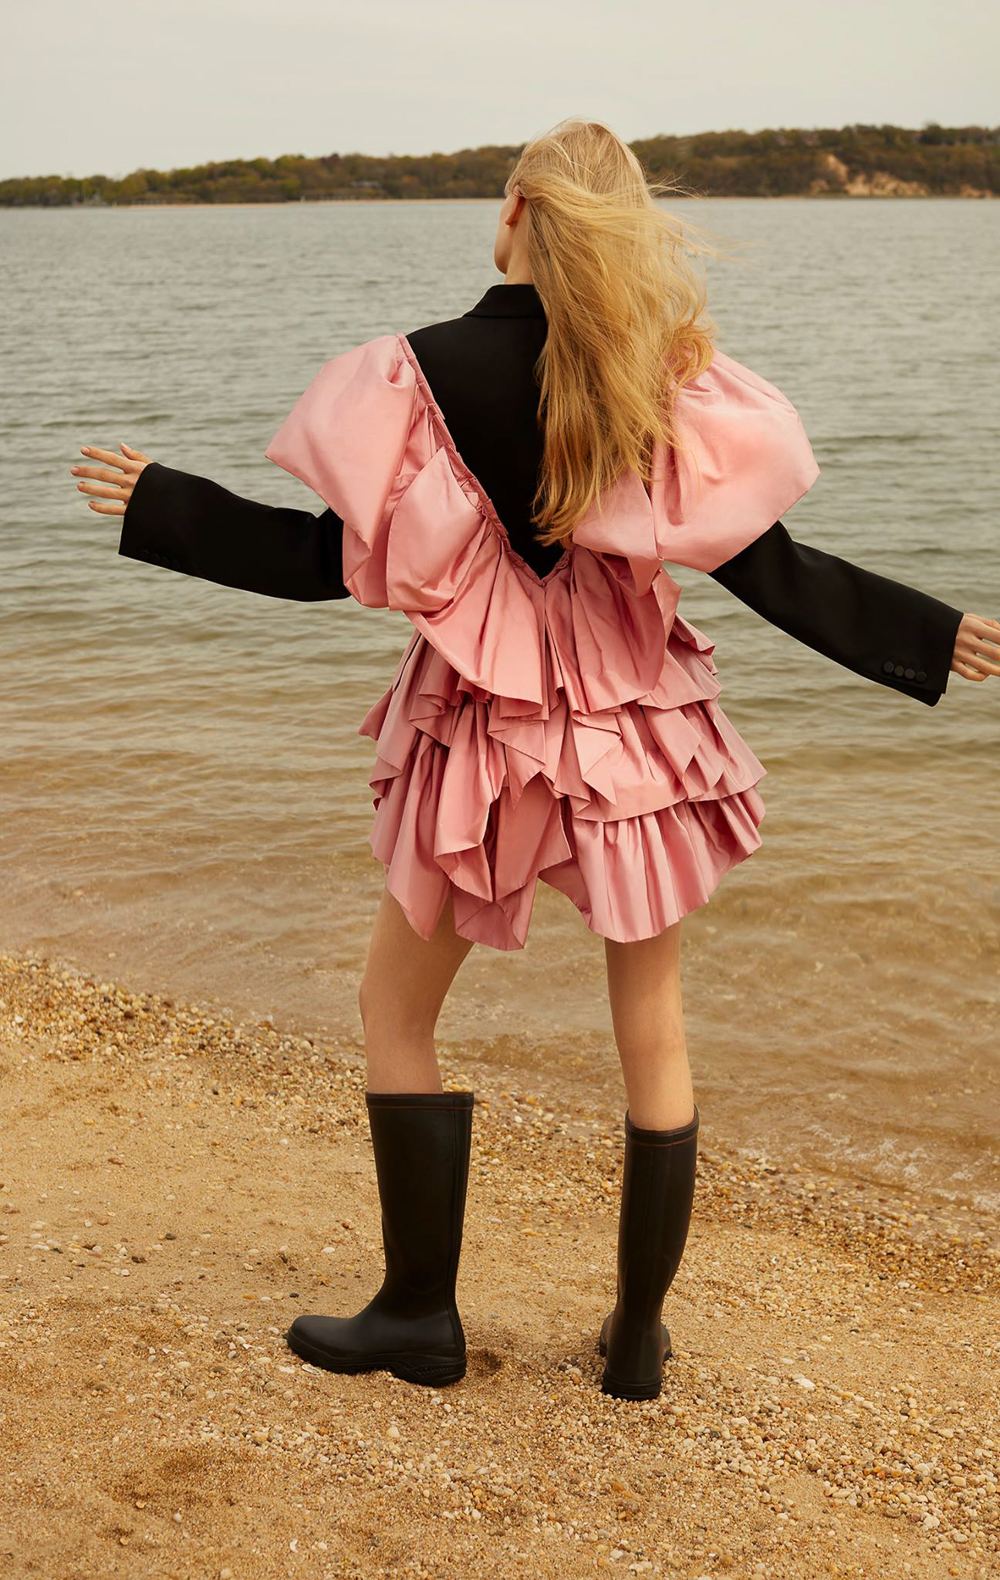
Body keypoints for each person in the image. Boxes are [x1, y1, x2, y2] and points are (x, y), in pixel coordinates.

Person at [69, 118, 999, 1403]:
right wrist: (931, 633)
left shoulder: (419, 374)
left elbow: (322, 561)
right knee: (652, 1033)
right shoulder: (648, 384)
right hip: (635, 736)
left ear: (514, 210)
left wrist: (165, 502)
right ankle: (634, 1339)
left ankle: (418, 1314)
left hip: (482, 735)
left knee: (397, 1010)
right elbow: (770, 568)